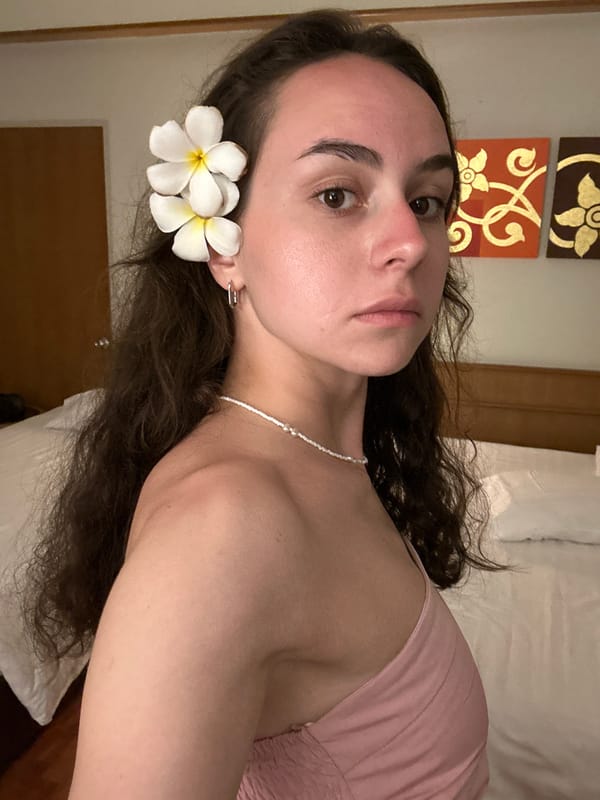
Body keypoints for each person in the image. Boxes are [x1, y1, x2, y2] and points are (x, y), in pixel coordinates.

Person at [26, 9, 502, 799]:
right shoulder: (222, 528)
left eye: (427, 200)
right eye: (338, 193)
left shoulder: (334, 455)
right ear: (224, 245)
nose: (412, 242)